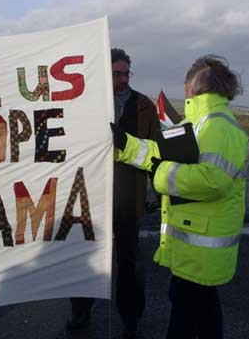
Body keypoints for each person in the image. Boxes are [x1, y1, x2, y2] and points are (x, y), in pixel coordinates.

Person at [113, 55, 249, 339]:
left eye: (186, 83)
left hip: (202, 249)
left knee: (185, 317)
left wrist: (161, 173)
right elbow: (159, 151)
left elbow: (212, 181)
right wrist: (124, 144)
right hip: (195, 246)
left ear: (195, 87)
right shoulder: (197, 122)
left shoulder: (219, 127)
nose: (184, 88)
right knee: (204, 311)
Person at [67, 48, 159, 338]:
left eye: (125, 73)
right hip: (91, 196)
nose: (122, 79)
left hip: (129, 197)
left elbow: (156, 150)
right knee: (88, 259)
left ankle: (131, 318)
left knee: (130, 262)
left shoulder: (144, 105)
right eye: (116, 74)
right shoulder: (86, 104)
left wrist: (154, 190)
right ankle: (81, 312)